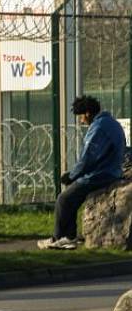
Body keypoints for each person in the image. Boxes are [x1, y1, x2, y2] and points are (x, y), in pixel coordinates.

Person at [38, 96, 125, 250]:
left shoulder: (98, 127)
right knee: (72, 198)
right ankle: (69, 237)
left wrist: (72, 175)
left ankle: (59, 237)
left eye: (81, 117)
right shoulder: (112, 123)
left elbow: (88, 157)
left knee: (63, 199)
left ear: (87, 113)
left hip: (101, 174)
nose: (81, 121)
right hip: (113, 171)